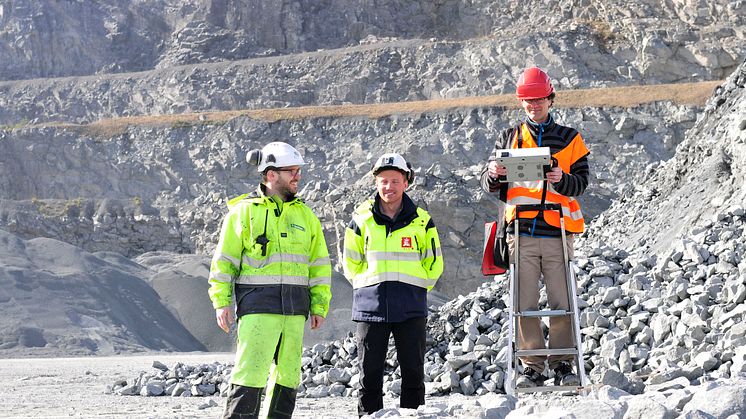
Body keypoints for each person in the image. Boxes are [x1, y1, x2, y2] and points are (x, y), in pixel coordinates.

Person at [480, 67, 590, 388]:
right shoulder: (508, 138)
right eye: (527, 100)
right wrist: (495, 172)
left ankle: (561, 364)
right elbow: (489, 184)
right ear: (521, 102)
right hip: (520, 233)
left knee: (561, 300)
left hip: (558, 232)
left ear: (550, 98)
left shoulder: (570, 138)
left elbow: (581, 183)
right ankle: (531, 366)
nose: (533, 105)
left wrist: (562, 179)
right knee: (523, 302)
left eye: (538, 99)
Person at [208, 141, 332, 419]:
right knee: (250, 373)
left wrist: (319, 305)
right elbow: (224, 262)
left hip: (295, 311)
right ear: (271, 174)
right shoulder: (243, 212)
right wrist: (222, 301)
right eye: (292, 171)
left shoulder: (306, 216)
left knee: (288, 377)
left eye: (299, 171)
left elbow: (320, 265)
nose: (298, 177)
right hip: (258, 308)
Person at [343, 153, 444, 416]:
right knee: (369, 373)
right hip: (370, 307)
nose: (389, 187)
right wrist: (366, 287)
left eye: (395, 181)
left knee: (413, 371)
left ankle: (412, 415)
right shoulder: (361, 218)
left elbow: (434, 263)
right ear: (376, 183)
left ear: (406, 183)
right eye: (384, 181)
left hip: (411, 307)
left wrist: (418, 288)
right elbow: (350, 262)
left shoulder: (422, 220)